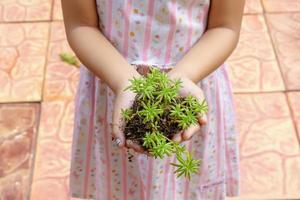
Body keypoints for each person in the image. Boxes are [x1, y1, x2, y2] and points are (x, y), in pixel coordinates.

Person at [61, 0, 245, 199]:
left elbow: (225, 26)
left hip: (190, 85)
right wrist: (125, 82)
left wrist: (183, 76)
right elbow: (81, 25)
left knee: (185, 186)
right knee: (119, 183)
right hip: (113, 85)